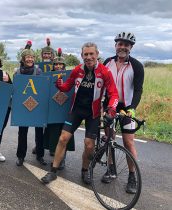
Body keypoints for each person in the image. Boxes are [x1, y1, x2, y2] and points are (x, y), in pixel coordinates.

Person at [41, 42, 119, 184]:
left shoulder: (105, 72)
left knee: (89, 145)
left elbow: (114, 94)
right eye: (86, 54)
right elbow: (67, 86)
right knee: (63, 138)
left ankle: (84, 171)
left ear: (97, 54)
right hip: (76, 110)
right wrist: (60, 85)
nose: (88, 57)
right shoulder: (77, 70)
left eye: (91, 54)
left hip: (93, 113)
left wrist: (111, 109)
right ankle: (53, 171)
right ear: (82, 55)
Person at [102, 32, 144, 194]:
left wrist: (133, 107)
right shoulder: (107, 62)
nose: (122, 47)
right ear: (115, 45)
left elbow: (138, 89)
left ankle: (132, 176)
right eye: (120, 44)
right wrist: (102, 106)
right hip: (110, 107)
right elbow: (103, 85)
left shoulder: (136, 66)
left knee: (128, 142)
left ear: (131, 47)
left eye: (126, 45)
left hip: (127, 108)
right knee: (110, 139)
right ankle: (111, 169)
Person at [15, 40, 47, 167]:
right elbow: (16, 90)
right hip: (23, 106)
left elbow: (42, 89)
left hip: (36, 106)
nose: (30, 59)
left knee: (39, 132)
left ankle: (40, 155)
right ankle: (21, 156)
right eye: (27, 57)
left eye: (32, 57)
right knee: (22, 132)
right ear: (23, 59)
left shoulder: (38, 72)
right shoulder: (17, 72)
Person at [43, 48, 75, 170]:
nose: (58, 66)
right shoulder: (48, 77)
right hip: (53, 110)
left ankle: (62, 159)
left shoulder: (70, 76)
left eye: (60, 64)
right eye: (56, 64)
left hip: (65, 110)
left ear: (64, 65)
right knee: (54, 133)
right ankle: (55, 155)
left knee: (65, 134)